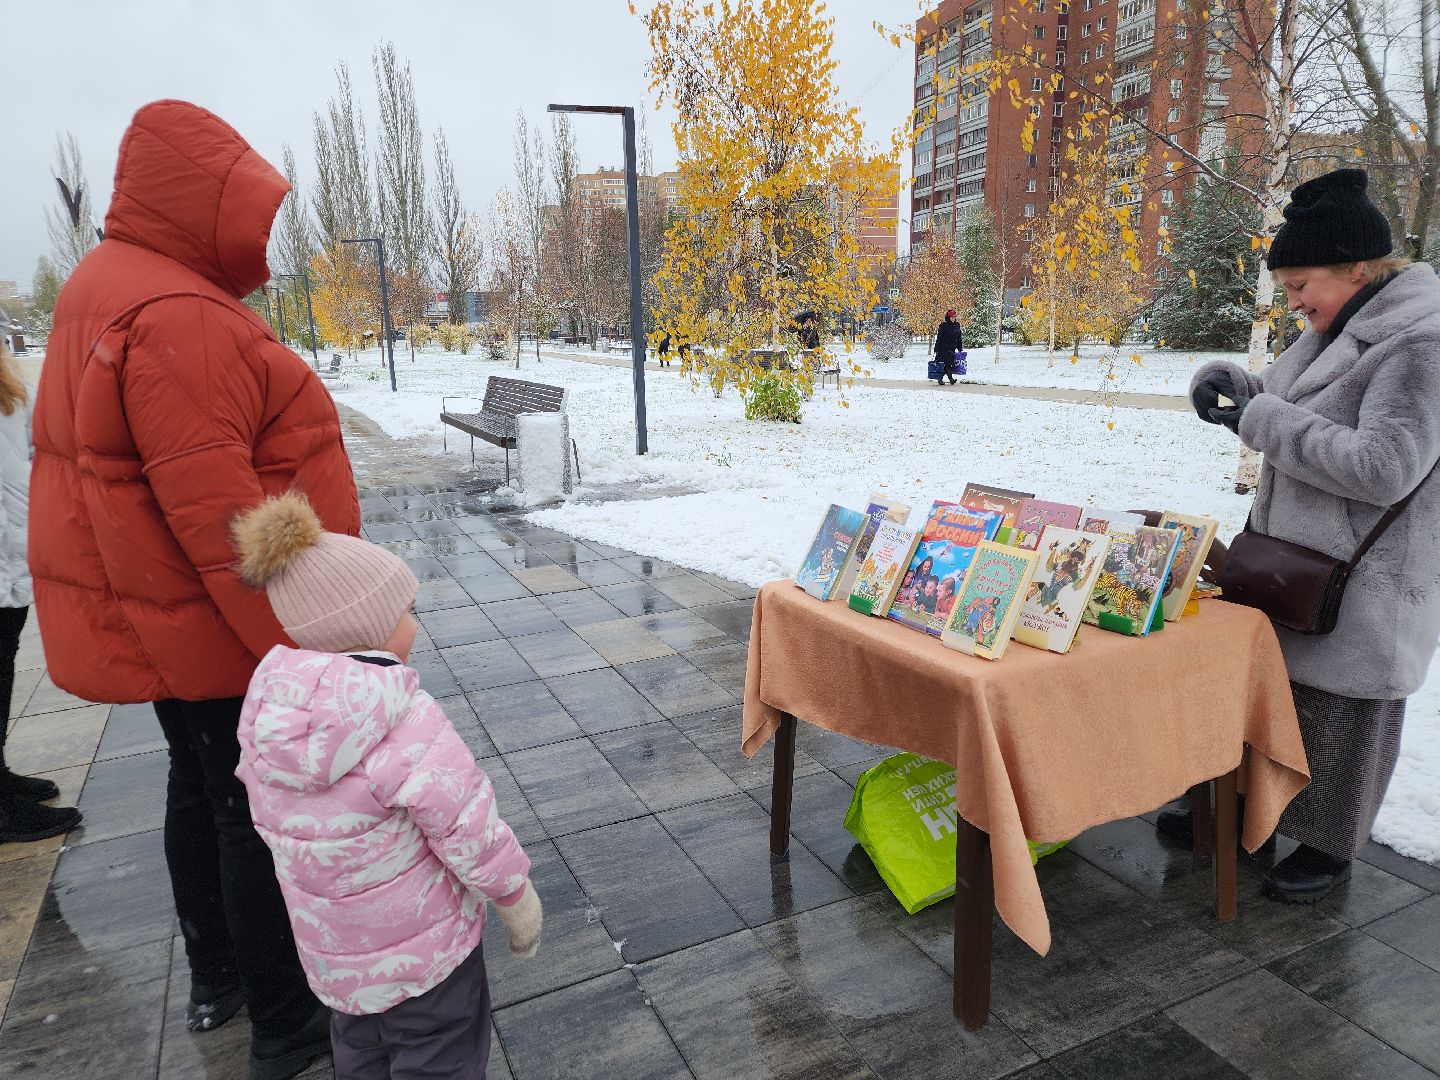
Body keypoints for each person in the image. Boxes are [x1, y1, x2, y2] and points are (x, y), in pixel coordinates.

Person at [31, 100, 360, 1078]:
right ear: (201, 201)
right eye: (248, 211)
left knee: (205, 787)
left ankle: (218, 977)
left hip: (163, 610)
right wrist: (301, 644)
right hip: (213, 618)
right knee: (248, 810)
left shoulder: (109, 284)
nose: (260, 234)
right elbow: (226, 524)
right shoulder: (175, 313)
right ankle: (290, 1026)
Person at [1173, 167, 1440, 903]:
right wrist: (1228, 383)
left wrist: (1260, 423)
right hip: (1296, 560)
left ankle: (1329, 847)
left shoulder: (1419, 345)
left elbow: (1385, 466)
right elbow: (1286, 400)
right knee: (1274, 696)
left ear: (1358, 268)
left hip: (1367, 579)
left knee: (1341, 718)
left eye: (1301, 287)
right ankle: (1246, 816)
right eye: (1286, 291)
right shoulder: (1341, 324)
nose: (1295, 304)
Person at [232, 492, 541, 1080]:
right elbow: (466, 826)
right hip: (427, 958)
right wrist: (514, 897)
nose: (415, 624)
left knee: (360, 1056)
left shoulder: (265, 721)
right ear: (366, 628)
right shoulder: (402, 718)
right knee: (440, 1057)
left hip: (336, 962)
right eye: (405, 612)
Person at [0, 342, 82, 844]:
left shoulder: (10, 387)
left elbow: (35, 453)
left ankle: (0, 778)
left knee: (2, 665)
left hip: (13, 554)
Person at [934, 309, 963, 385]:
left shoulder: (957, 325)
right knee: (947, 364)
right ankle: (951, 379)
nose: (953, 319)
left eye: (954, 317)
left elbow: (959, 338)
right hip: (943, 349)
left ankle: (940, 378)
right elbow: (939, 338)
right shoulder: (944, 325)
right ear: (948, 317)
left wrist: (960, 348)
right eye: (952, 317)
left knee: (948, 364)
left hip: (952, 349)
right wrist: (936, 348)